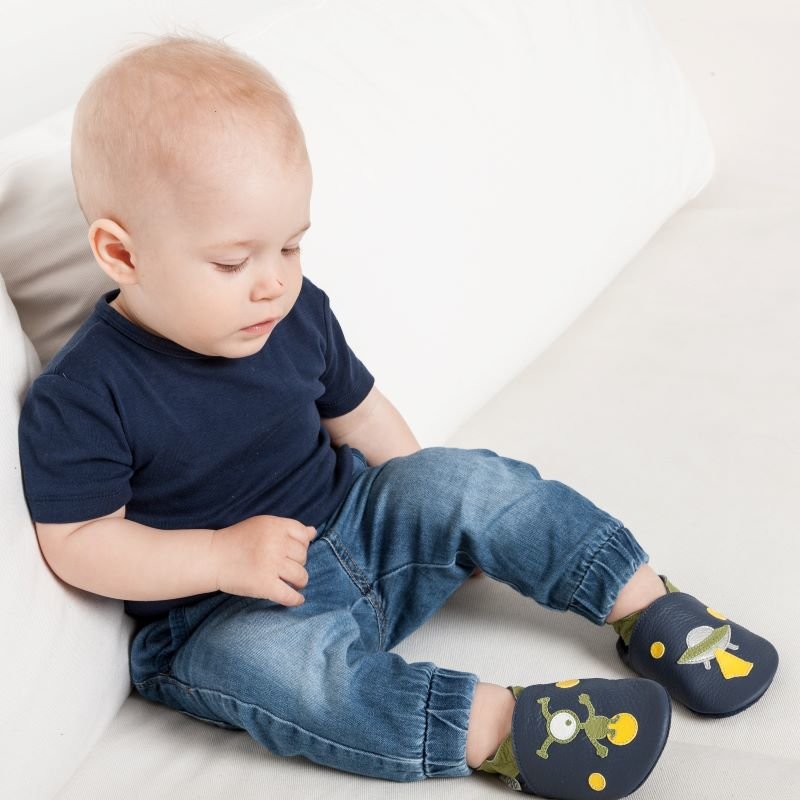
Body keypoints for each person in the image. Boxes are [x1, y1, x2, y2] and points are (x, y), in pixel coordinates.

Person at [17, 33, 778, 800]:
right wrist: (218, 557)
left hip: (359, 526)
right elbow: (81, 544)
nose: (272, 283)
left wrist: (439, 513)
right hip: (226, 611)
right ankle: (505, 728)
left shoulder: (293, 315)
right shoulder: (82, 396)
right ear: (122, 254)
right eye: (232, 262)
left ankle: (646, 606)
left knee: (461, 479)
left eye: (291, 247)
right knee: (276, 672)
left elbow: (362, 416)